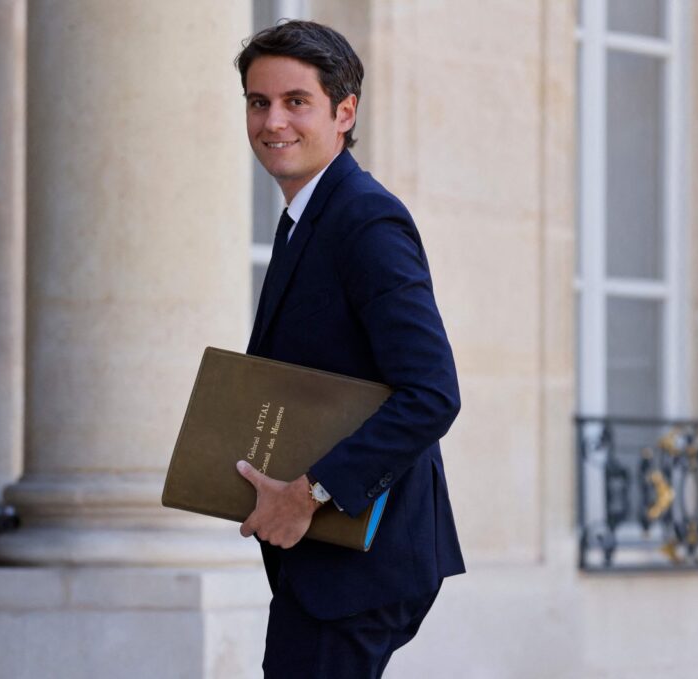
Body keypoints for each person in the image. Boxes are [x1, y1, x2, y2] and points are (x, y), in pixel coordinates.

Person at [234, 20, 465, 678]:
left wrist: (307, 494)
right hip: (330, 564)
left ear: (344, 112)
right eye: (258, 102)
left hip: (361, 566)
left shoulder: (364, 219)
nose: (272, 120)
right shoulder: (307, 216)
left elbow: (431, 394)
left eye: (295, 101)